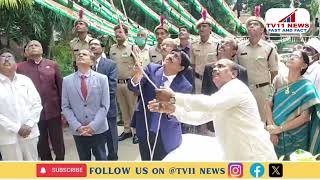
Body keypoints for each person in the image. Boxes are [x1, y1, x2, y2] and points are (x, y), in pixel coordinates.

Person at [148, 59, 277, 161]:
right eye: (214, 67)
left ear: (234, 74)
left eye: (221, 66)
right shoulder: (223, 96)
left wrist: (173, 97)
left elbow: (210, 104)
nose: (215, 69)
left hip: (255, 157)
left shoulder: (236, 87)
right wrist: (173, 109)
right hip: (237, 158)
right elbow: (198, 118)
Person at [129, 49, 192, 160]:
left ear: (181, 68)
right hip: (145, 126)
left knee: (162, 164)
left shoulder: (185, 86)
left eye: (176, 56)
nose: (171, 56)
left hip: (166, 132)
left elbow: (179, 105)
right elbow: (133, 87)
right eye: (171, 53)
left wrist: (165, 104)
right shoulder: (152, 69)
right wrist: (138, 74)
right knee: (146, 161)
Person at [265, 50, 320, 158]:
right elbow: (268, 104)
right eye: (291, 55)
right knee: (277, 167)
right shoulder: (278, 79)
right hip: (276, 136)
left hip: (297, 136)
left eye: (296, 56)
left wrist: (279, 129)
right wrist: (272, 130)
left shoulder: (306, 87)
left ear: (304, 65)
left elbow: (305, 118)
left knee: (296, 166)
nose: (291, 57)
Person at [17, 40, 65, 160]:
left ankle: (61, 166)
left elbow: (61, 87)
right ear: (26, 52)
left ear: (42, 50)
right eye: (30, 46)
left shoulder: (52, 65)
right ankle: (47, 168)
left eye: (36, 45)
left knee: (58, 141)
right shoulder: (19, 68)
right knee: (41, 143)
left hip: (54, 111)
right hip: (33, 114)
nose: (33, 47)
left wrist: (64, 109)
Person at [62, 49, 110, 161]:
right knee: (84, 160)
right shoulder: (67, 80)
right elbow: (65, 106)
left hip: (98, 128)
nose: (81, 55)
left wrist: (93, 126)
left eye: (84, 54)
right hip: (78, 129)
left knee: (101, 158)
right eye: (79, 54)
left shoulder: (102, 79)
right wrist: (77, 126)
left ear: (92, 62)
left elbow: (105, 105)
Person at [0, 49, 42, 161]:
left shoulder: (26, 81)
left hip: (30, 134)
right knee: (13, 173)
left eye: (10, 57)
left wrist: (29, 125)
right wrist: (17, 128)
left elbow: (37, 104)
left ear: (16, 64)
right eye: (3, 57)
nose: (6, 59)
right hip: (7, 138)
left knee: (32, 169)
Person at [237, 16, 279, 124]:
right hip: (244, 89)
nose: (252, 26)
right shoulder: (239, 48)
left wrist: (272, 93)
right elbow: (235, 69)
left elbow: (274, 73)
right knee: (244, 120)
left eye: (256, 24)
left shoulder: (269, 49)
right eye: (249, 25)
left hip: (262, 91)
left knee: (262, 121)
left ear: (262, 29)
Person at [109, 24, 140, 142]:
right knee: (123, 108)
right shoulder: (112, 49)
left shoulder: (132, 47)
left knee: (133, 108)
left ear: (126, 34)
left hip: (129, 83)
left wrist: (136, 83)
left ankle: (136, 132)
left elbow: (139, 66)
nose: (118, 34)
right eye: (116, 32)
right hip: (117, 83)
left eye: (120, 32)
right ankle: (127, 130)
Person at [89, 39, 119, 160]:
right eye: (90, 45)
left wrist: (99, 103)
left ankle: (113, 158)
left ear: (102, 48)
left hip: (107, 106)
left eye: (96, 44)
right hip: (91, 110)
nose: (93, 46)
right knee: (97, 136)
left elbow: (112, 88)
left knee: (111, 135)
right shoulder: (84, 64)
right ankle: (101, 160)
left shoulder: (110, 64)